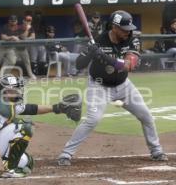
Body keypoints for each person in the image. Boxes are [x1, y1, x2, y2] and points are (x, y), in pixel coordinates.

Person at [57, 10, 168, 166]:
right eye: (124, 28)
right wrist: (91, 53)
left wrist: (103, 57)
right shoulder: (98, 41)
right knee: (92, 120)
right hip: (99, 86)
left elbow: (129, 65)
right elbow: (79, 64)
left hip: (124, 86)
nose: (128, 32)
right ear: (114, 27)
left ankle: (156, 151)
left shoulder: (132, 40)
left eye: (129, 28)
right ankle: (66, 154)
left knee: (146, 116)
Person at [0, 74, 81, 178]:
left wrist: (57, 108)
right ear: (7, 91)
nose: (19, 91)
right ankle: (7, 168)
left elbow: (31, 108)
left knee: (26, 162)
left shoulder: (8, 104)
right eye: (16, 88)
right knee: (24, 126)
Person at [0, 15, 36, 79]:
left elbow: (24, 37)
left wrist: (27, 29)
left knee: (12, 61)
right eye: (12, 21)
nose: (13, 22)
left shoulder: (20, 27)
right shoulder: (5, 26)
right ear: (9, 21)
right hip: (2, 47)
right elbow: (3, 37)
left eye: (14, 21)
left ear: (16, 21)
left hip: (13, 48)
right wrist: (11, 37)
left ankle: (1, 76)